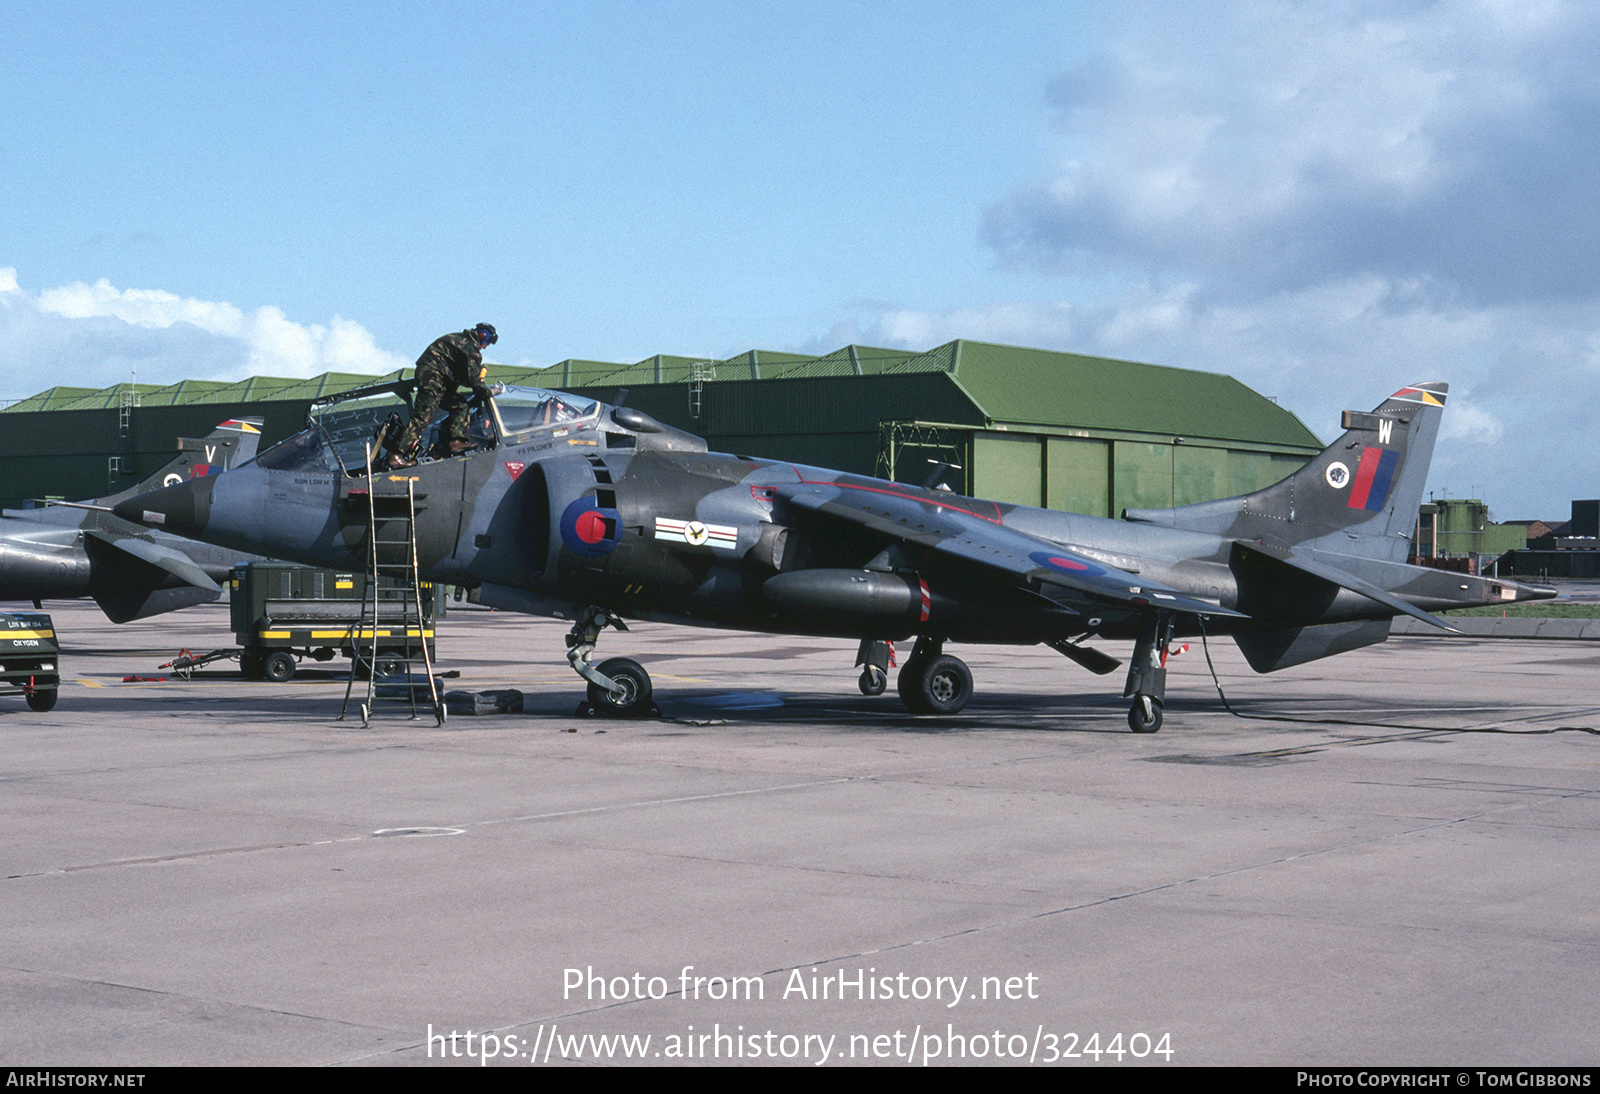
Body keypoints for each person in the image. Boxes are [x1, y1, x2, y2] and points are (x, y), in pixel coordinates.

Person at [387, 323, 498, 469]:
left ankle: (456, 443)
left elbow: (462, 376)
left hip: (437, 377)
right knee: (423, 416)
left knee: (460, 405)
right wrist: (490, 391)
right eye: (486, 344)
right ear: (483, 337)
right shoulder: (470, 348)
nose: (484, 347)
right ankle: (396, 455)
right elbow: (473, 380)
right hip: (432, 375)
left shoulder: (459, 339)